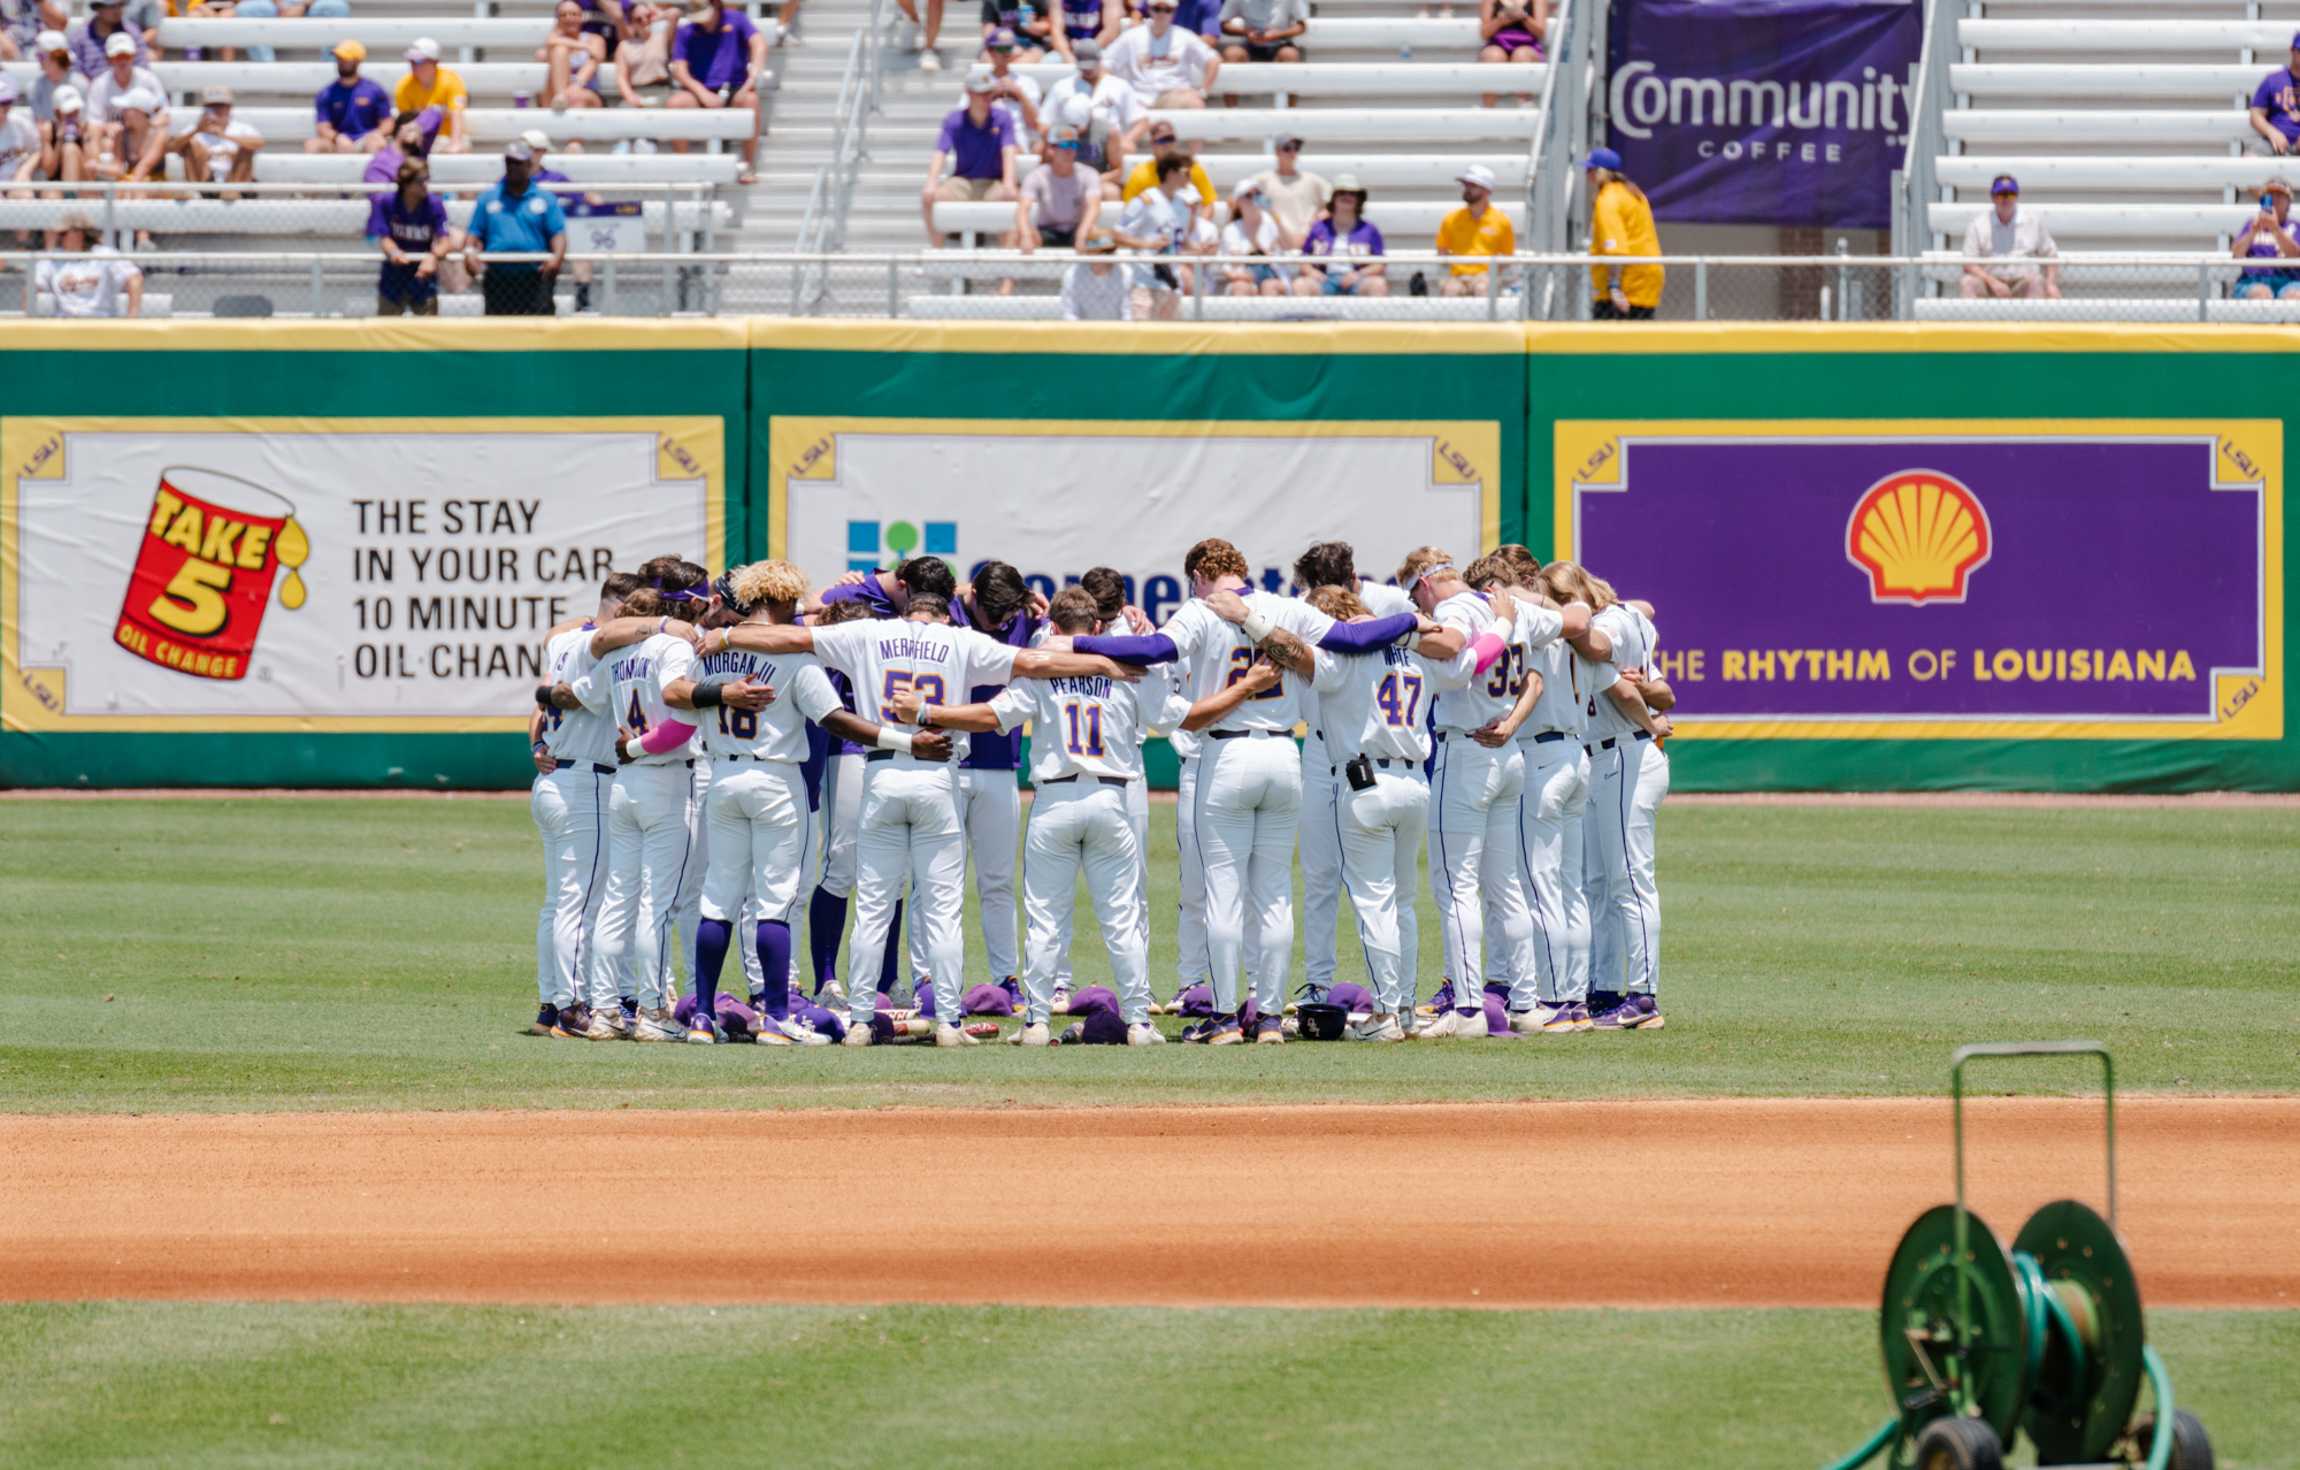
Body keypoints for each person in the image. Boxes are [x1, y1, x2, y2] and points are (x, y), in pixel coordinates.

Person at [707, 584, 1139, 1045]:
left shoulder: (869, 633)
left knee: (873, 907)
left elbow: (790, 639)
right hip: (937, 775)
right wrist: (1104, 664)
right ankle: (950, 1023)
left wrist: (729, 637)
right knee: (943, 909)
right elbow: (1035, 663)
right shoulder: (960, 640)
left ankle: (858, 1020)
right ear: (944, 614)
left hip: (881, 773)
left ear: (910, 609)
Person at [1065, 538, 1425, 1042]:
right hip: (1283, 753)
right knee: (1274, 894)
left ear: (1200, 577)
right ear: (1241, 570)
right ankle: (1272, 1018)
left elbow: (1153, 650)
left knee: (1224, 895)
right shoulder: (1282, 607)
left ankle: (1226, 1017)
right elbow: (1349, 637)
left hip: (1227, 753)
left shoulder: (1200, 608)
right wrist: (1409, 621)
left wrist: (1080, 644)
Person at [886, 586, 1180, 1046]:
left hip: (1055, 798)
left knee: (1046, 919)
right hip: (1112, 796)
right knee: (1121, 917)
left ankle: (1038, 1021)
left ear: (1057, 630)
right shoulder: (1127, 669)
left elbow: (990, 716)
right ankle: (1140, 1021)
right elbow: (1172, 716)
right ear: (1098, 628)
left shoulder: (1045, 669)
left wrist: (927, 711)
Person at [686, 560, 928, 1045]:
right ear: (778, 600)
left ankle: (702, 1016)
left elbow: (683, 698)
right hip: (776, 778)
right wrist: (900, 741)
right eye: (793, 602)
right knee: (776, 901)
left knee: (718, 900)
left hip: (723, 775)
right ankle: (776, 1016)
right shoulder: (794, 656)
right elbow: (835, 718)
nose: (798, 610)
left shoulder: (710, 652)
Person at [1396, 545, 1581, 1038]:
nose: (1421, 606)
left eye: (1416, 593)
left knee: (1456, 886)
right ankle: (1526, 1002)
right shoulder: (1513, 608)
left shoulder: (1457, 610)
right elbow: (1572, 623)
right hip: (1508, 752)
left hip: (1467, 748)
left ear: (1426, 582)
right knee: (1505, 886)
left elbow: (1459, 667)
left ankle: (1470, 1008)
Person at [1300, 583, 1432, 1042]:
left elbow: (1302, 658)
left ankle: (1385, 1014)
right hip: (1416, 781)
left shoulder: (1343, 659)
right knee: (1404, 902)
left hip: (1365, 781)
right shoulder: (1415, 655)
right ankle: (1408, 1009)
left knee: (1373, 900)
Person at [1287, 542, 1413, 1012]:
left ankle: (1395, 996)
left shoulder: (1390, 603)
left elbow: (1434, 623)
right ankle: (1319, 983)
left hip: (1365, 749)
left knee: (1379, 887)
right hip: (1322, 747)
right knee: (1320, 873)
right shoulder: (1304, 610)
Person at [1541, 559, 1665, 1031]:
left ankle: (1644, 996)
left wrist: (1652, 724)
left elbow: (1596, 646)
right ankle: (1607, 987)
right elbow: (1646, 608)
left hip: (1626, 753)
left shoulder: (1608, 623)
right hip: (1604, 756)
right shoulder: (1622, 611)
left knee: (1630, 881)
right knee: (1600, 884)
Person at [527, 570, 641, 1041]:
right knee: (582, 901)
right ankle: (573, 1007)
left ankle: (550, 1004)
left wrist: (536, 743)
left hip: (554, 779)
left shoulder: (563, 641)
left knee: (558, 903)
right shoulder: (605, 650)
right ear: (621, 608)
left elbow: (543, 700)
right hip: (584, 784)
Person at [465, 141, 569, 316]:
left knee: (538, 328)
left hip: (535, 275)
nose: (513, 167)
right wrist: (469, 252)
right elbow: (474, 232)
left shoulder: (545, 199)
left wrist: (557, 258)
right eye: (509, 163)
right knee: (500, 331)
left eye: (518, 163)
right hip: (499, 276)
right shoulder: (488, 198)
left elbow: (557, 233)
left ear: (529, 165)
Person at [668, 0, 766, 182]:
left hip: (735, 87)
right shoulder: (686, 30)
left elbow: (758, 43)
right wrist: (702, 93)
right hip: (700, 90)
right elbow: (679, 70)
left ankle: (748, 166)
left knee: (751, 101)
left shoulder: (737, 20)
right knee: (676, 104)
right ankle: (682, 167)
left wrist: (751, 78)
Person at [921, 68, 1018, 245]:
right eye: (980, 93)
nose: (985, 98)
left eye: (988, 92)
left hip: (992, 182)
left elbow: (1009, 150)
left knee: (1009, 198)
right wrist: (931, 181)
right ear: (968, 93)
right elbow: (940, 151)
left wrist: (1009, 182)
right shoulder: (954, 119)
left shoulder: (1003, 118)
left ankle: (1008, 266)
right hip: (963, 182)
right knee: (930, 197)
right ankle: (937, 254)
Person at [367, 157, 457, 316]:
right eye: (421, 180)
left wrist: (433, 258)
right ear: (406, 183)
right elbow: (384, 237)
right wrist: (394, 252)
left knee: (428, 334)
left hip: (423, 278)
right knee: (386, 332)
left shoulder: (434, 204)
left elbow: (445, 241)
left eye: (427, 179)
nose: (425, 185)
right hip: (393, 278)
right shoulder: (386, 202)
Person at [1114, 147, 1193, 316]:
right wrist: (1147, 244)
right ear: (1171, 173)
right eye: (1185, 172)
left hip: (1172, 284)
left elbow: (1180, 241)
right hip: (1145, 282)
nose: (1189, 177)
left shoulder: (1183, 206)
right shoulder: (1147, 200)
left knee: (1170, 340)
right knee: (1141, 338)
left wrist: (1197, 248)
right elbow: (1118, 234)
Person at [1586, 146, 1662, 319]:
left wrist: (1614, 287)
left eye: (1590, 169)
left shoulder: (1607, 199)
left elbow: (1616, 248)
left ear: (1601, 172)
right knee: (1639, 342)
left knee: (1607, 344)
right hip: (1646, 280)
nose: (1587, 174)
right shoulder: (1634, 193)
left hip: (1625, 286)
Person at [1958, 173, 2059, 301]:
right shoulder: (1978, 225)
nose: (2006, 199)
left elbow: (2051, 255)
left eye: (2010, 194)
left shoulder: (2033, 221)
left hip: (2022, 282)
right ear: (1993, 197)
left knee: (2037, 282)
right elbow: (1969, 263)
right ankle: (1971, 322)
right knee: (1967, 283)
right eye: (2001, 194)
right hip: (1989, 283)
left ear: (2017, 196)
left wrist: (2051, 284)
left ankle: (2032, 321)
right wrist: (1992, 282)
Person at [1104, 0, 1218, 110]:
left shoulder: (1185, 37)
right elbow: (1106, 63)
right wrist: (1110, 90)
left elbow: (1212, 60)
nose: (1161, 14)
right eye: (1157, 9)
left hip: (1172, 95)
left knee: (1195, 103)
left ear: (1174, 11)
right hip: (1137, 97)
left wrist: (1203, 92)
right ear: (1149, 10)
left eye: (1167, 10)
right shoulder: (1131, 37)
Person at [1294, 173, 1386, 297]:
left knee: (1378, 284)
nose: (1347, 197)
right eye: (1342, 193)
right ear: (1333, 198)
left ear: (1359, 199)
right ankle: (1303, 317)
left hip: (1358, 279)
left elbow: (1380, 264)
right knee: (1300, 284)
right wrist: (1313, 273)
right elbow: (1304, 260)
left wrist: (1359, 274)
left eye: (1352, 194)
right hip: (1324, 280)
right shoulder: (1319, 227)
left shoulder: (1369, 229)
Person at [35, 209, 140, 315]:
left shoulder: (104, 255)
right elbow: (31, 287)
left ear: (80, 233)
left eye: (64, 233)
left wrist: (132, 317)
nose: (60, 238)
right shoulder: (53, 258)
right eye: (59, 234)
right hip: (66, 323)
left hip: (101, 321)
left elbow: (135, 278)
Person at [1436, 162, 1514, 297]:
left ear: (1487, 190)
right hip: (1457, 276)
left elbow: (1507, 257)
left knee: (1482, 288)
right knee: (1450, 289)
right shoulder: (1451, 219)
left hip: (1485, 276)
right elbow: (1442, 250)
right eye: (1465, 185)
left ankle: (1487, 318)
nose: (1467, 189)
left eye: (1472, 185)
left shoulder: (1501, 221)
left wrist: (1492, 274)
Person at [1019, 123, 1099, 249]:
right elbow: (1022, 210)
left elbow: (1093, 207)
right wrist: (1026, 235)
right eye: (1065, 145)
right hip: (1047, 231)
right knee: (1023, 236)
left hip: (1077, 229)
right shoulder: (1036, 176)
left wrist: (1082, 234)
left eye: (1073, 145)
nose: (1069, 150)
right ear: (1051, 149)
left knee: (1095, 235)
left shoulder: (1089, 174)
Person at [1120, 120, 1212, 225]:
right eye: (1162, 140)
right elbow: (1130, 209)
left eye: (1170, 139)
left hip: (1186, 230)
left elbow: (1208, 204)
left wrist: (1196, 229)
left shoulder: (1192, 168)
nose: (1167, 144)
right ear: (1152, 144)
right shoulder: (1140, 173)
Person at [175, 86, 262, 196]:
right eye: (212, 106)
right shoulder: (194, 130)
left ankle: (232, 190)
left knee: (246, 149)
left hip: (234, 181)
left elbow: (258, 144)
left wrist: (224, 136)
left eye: (221, 106)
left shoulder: (242, 128)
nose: (216, 110)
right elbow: (172, 147)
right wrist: (197, 130)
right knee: (188, 146)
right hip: (205, 179)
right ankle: (194, 190)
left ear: (229, 107)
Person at [309, 40, 392, 154]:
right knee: (313, 145)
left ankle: (373, 171)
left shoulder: (374, 90)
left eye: (345, 58)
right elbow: (323, 126)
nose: (341, 62)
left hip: (366, 140)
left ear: (358, 61)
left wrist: (376, 134)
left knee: (376, 143)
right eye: (339, 58)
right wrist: (337, 138)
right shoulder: (326, 93)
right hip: (337, 142)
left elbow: (387, 122)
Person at [1244, 134, 1326, 249]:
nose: (1292, 152)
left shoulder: (1314, 181)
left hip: (1307, 244)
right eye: (1287, 148)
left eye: (1296, 148)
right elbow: (1235, 200)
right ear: (1277, 152)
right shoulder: (1261, 180)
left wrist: (1315, 224)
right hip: (1274, 245)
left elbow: (1332, 205)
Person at [394, 38, 470, 154]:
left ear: (434, 62)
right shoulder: (404, 86)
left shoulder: (451, 80)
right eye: (411, 61)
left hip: (446, 136)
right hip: (419, 138)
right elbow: (405, 123)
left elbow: (456, 114)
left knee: (460, 148)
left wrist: (455, 143)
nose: (413, 65)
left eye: (418, 61)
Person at [1218, 178, 1288, 296]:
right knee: (1241, 287)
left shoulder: (1271, 222)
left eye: (1258, 194)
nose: (1255, 199)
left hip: (1272, 277)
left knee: (1269, 286)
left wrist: (1273, 213)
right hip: (1243, 278)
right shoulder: (1231, 230)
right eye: (1249, 195)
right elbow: (1231, 266)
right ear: (1238, 201)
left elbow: (1287, 247)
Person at [2234, 179, 2300, 300]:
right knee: (2261, 294)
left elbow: (2296, 255)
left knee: (2294, 296)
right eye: (2270, 196)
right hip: (2253, 280)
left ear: (2288, 202)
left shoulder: (2295, 226)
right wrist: (2252, 232)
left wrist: (2275, 229)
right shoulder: (2251, 224)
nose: (2275, 199)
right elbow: (2236, 254)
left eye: (2280, 195)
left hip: (2289, 281)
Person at [542, 0, 609, 110]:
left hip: (584, 88)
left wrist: (575, 86)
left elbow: (596, 58)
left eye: (574, 14)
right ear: (558, 20)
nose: (569, 18)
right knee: (559, 50)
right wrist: (584, 46)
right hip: (555, 93)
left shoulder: (595, 39)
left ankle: (564, 96)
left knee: (578, 99)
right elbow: (550, 41)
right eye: (563, 15)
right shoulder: (554, 42)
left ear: (581, 17)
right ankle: (561, 95)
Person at [1477, 0, 1546, 106]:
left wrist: (1523, 17)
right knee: (1492, 56)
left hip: (1528, 45)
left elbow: (1540, 32)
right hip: (1497, 44)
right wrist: (1501, 20)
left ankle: (1524, 106)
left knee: (1522, 55)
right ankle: (1488, 109)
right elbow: (1484, 33)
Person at [980, 27, 1042, 139]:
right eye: (1001, 48)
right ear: (990, 51)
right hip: (986, 140)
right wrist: (991, 95)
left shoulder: (1027, 82)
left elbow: (1035, 124)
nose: (1006, 53)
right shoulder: (979, 82)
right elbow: (971, 120)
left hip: (1018, 141)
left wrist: (1019, 94)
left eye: (1009, 48)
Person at [1060, 226, 1132, 317]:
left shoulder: (1126, 273)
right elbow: (1070, 313)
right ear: (1090, 252)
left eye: (1110, 251)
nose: (1108, 255)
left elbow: (1127, 313)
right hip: (1083, 329)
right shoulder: (1072, 274)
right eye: (1102, 251)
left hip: (1118, 329)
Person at [65, 0, 144, 79]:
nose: (117, 10)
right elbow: (75, 72)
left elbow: (142, 68)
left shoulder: (132, 33)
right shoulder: (79, 37)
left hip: (128, 88)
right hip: (89, 89)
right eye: (112, 6)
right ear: (97, 8)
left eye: (120, 5)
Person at [2250, 34, 2300, 155]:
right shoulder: (2273, 80)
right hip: (2275, 143)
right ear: (2291, 50)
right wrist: (2272, 132)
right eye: (2299, 51)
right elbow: (2255, 114)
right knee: (2250, 160)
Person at [1217, 0, 1303, 65]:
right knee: (1232, 54)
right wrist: (1246, 32)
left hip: (1281, 44)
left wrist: (1278, 34)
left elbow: (1301, 26)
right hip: (1250, 45)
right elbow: (1224, 24)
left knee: (1289, 54)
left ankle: (1290, 89)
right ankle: (1232, 89)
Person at [36, 81, 84, 189]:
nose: (73, 115)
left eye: (76, 110)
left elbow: (91, 172)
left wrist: (84, 140)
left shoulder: (86, 128)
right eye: (69, 112)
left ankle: (71, 199)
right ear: (57, 112)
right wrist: (59, 140)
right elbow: (49, 172)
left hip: (82, 186)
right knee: (50, 196)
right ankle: (70, 200)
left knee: (70, 149)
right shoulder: (48, 130)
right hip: (57, 183)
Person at [0, 77, 35, 188]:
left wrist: (25, 170)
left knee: (24, 194)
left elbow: (37, 150)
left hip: (15, 183)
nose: (2, 109)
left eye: (6, 102)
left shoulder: (20, 123)